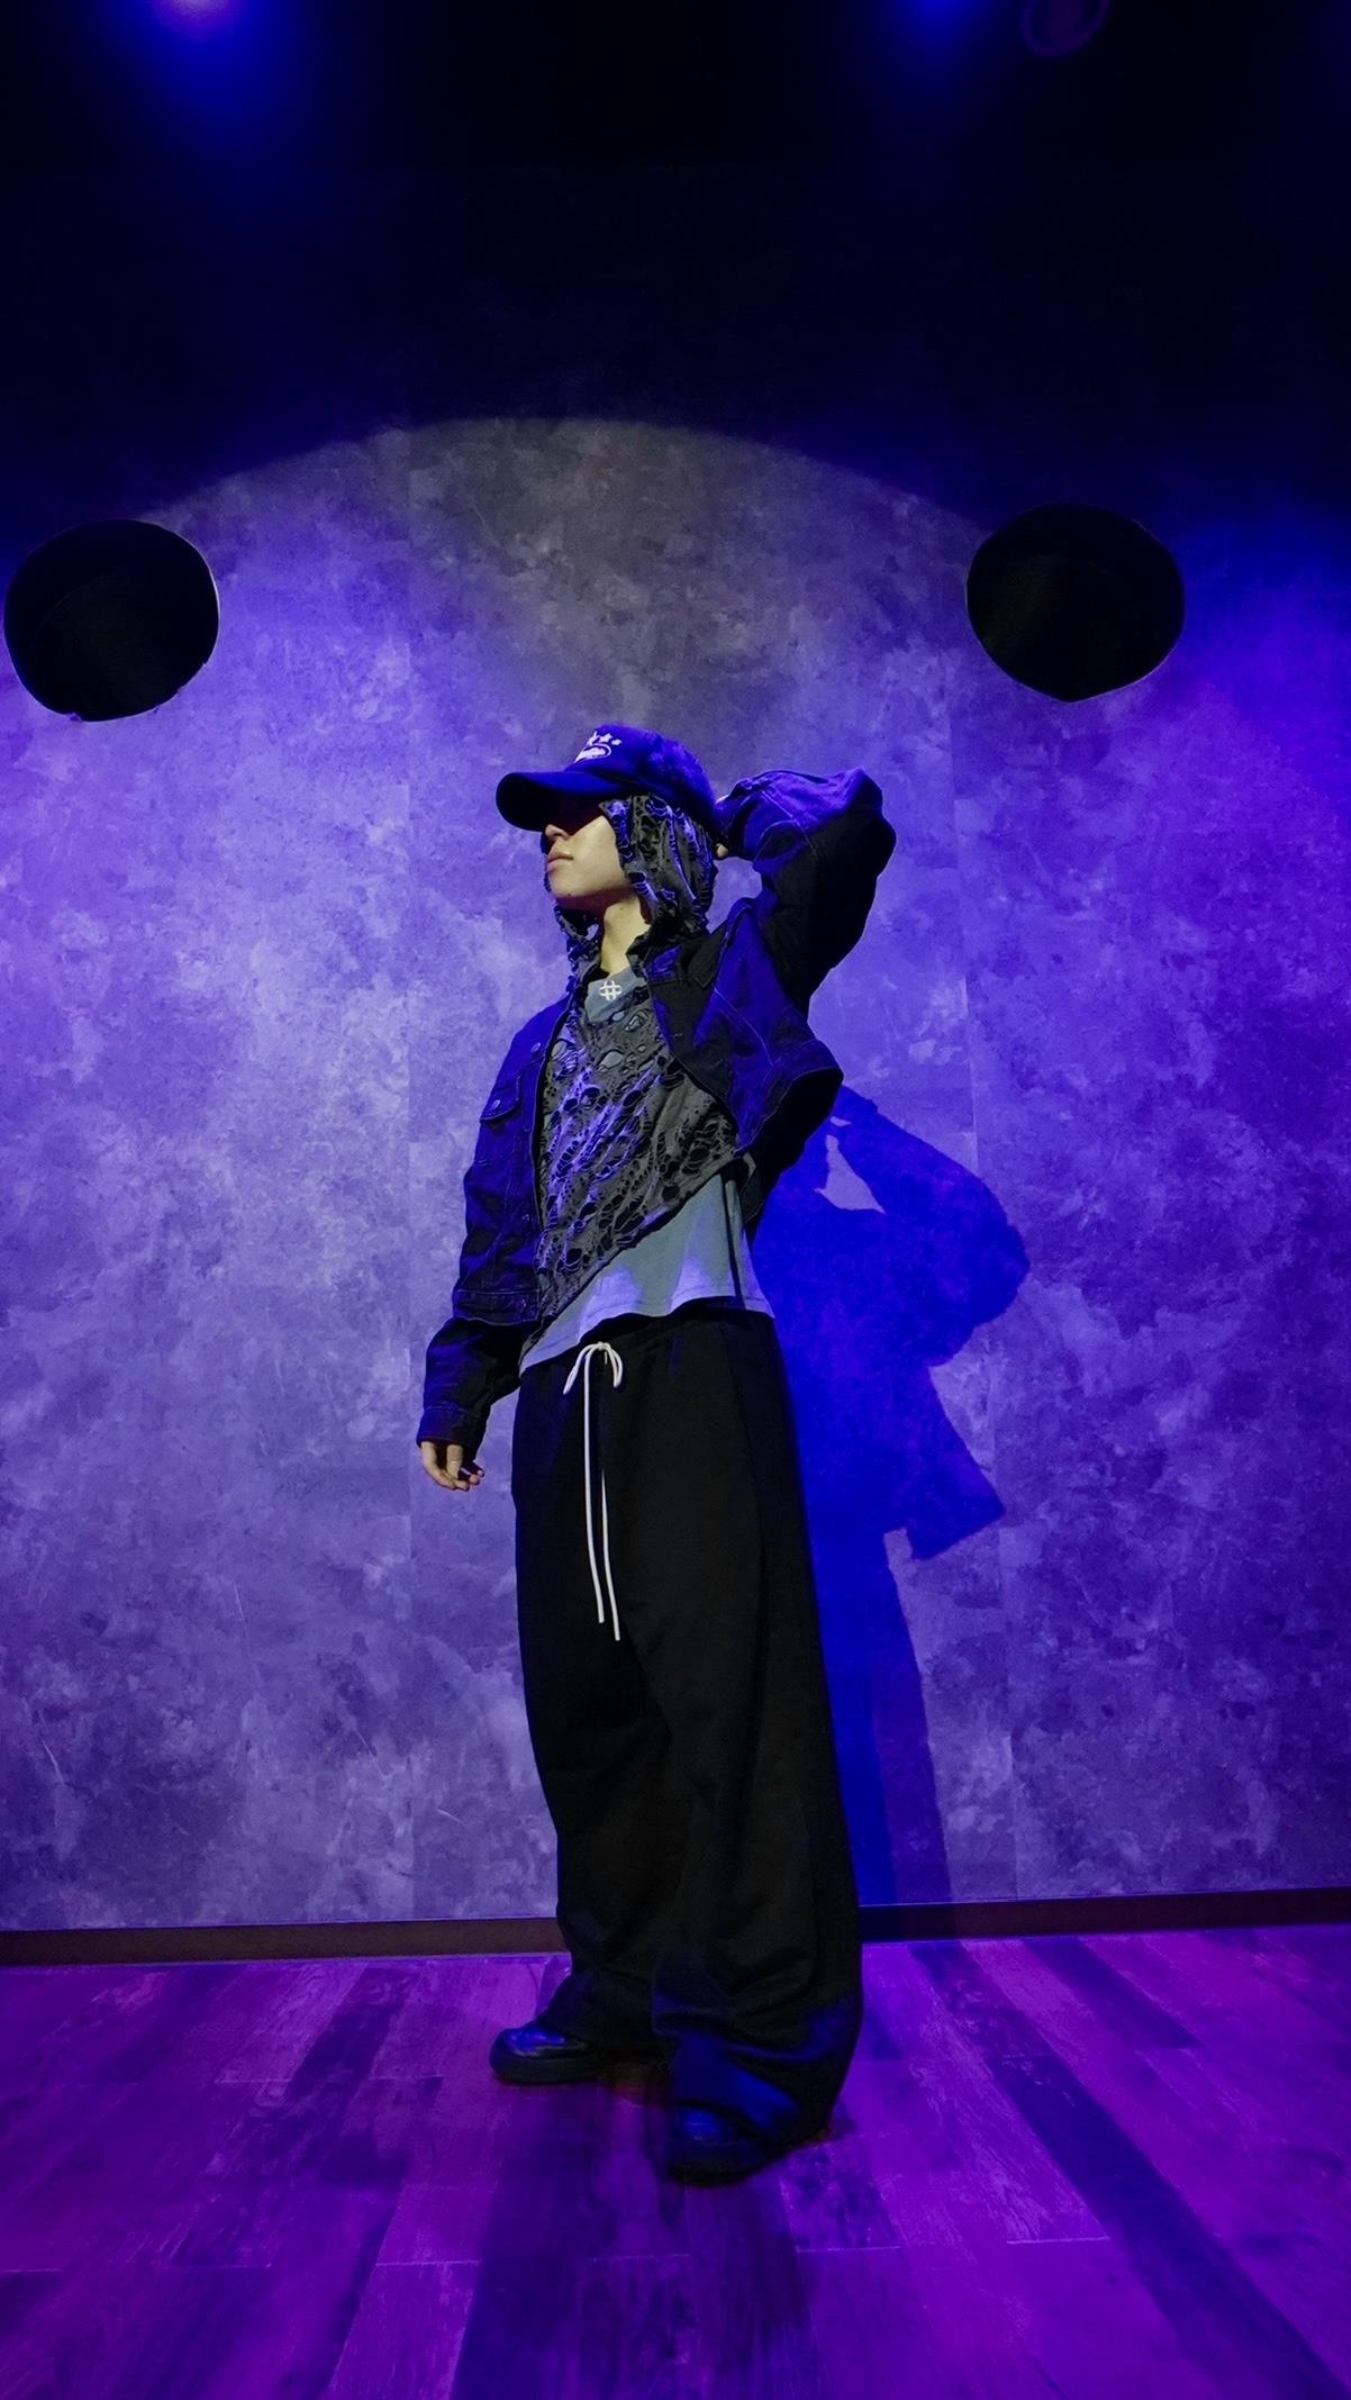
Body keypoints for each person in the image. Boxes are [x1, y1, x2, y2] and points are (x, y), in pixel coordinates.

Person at [416, 722, 895, 2183]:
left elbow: (842, 833)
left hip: (692, 1367)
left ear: (652, 831)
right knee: (592, 1713)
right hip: (563, 1396)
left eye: (583, 810)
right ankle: (623, 1987)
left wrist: (707, 808)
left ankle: (757, 2047)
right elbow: (502, 1224)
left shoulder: (734, 972)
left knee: (731, 1710)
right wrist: (463, 1383)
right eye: (544, 818)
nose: (549, 835)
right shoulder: (538, 1044)